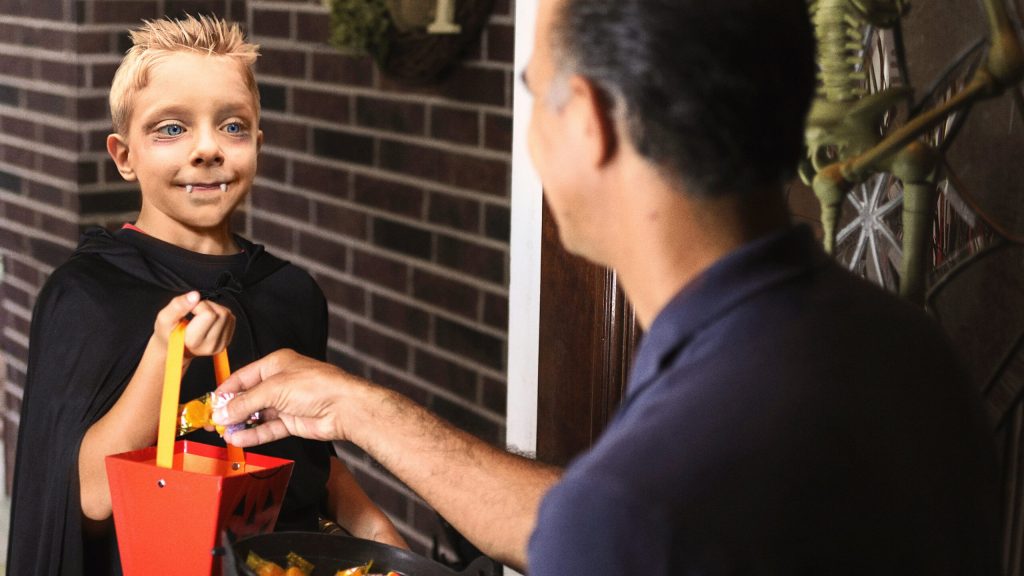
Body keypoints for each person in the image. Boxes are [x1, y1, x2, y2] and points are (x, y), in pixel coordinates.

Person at [214, 0, 1002, 573]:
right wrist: (360, 409)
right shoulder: (910, 353)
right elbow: (582, 522)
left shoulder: (644, 506)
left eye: (533, 95)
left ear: (587, 122)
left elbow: (619, 522)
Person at [6, 15, 404, 576]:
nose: (207, 149)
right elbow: (86, 501)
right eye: (171, 128)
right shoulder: (88, 295)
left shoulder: (291, 292)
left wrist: (371, 526)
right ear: (124, 156)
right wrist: (165, 355)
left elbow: (307, 453)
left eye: (233, 127)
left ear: (258, 145)